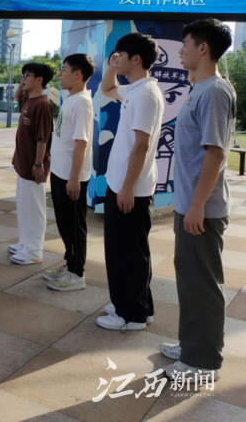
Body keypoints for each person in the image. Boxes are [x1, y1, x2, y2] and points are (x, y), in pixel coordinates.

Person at [159, 19, 235, 381]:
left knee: (202, 285)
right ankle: (192, 345)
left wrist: (198, 205)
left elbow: (215, 152)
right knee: (190, 280)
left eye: (186, 44)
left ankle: (202, 362)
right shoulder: (199, 87)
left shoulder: (214, 91)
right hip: (191, 203)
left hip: (200, 209)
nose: (180, 50)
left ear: (203, 48)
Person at [98, 32, 164, 331]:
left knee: (126, 254)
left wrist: (127, 188)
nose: (116, 59)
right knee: (128, 250)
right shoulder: (135, 89)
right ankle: (138, 306)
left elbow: (141, 146)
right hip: (122, 185)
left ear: (136, 59)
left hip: (130, 189)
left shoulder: (146, 94)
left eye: (120, 55)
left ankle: (131, 316)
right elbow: (107, 88)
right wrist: (111, 66)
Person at [43, 54, 95, 290]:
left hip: (71, 177)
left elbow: (81, 143)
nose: (60, 74)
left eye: (64, 70)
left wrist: (74, 179)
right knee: (65, 225)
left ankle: (77, 274)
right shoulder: (70, 99)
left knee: (74, 227)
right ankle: (70, 264)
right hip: (60, 172)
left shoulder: (82, 102)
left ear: (77, 74)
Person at [8, 63, 54, 264]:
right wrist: (22, 82)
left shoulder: (42, 104)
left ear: (40, 80)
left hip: (34, 167)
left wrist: (38, 164)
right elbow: (17, 96)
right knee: (24, 205)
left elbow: (42, 139)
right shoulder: (28, 100)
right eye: (23, 75)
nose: (23, 79)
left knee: (34, 209)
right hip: (23, 163)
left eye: (27, 75)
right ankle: (25, 243)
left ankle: (34, 251)